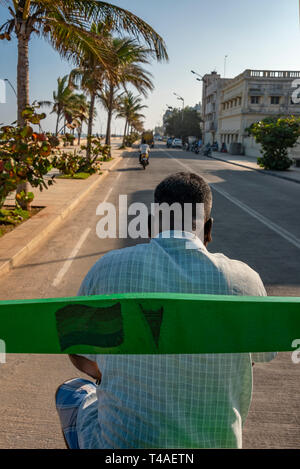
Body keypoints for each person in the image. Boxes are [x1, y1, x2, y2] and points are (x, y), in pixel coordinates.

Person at [56, 172, 276, 449]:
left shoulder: (108, 267)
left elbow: (76, 348)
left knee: (72, 392)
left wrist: (110, 374)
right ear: (208, 230)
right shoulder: (245, 281)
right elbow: (256, 357)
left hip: (123, 447)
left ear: (150, 226)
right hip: (218, 443)